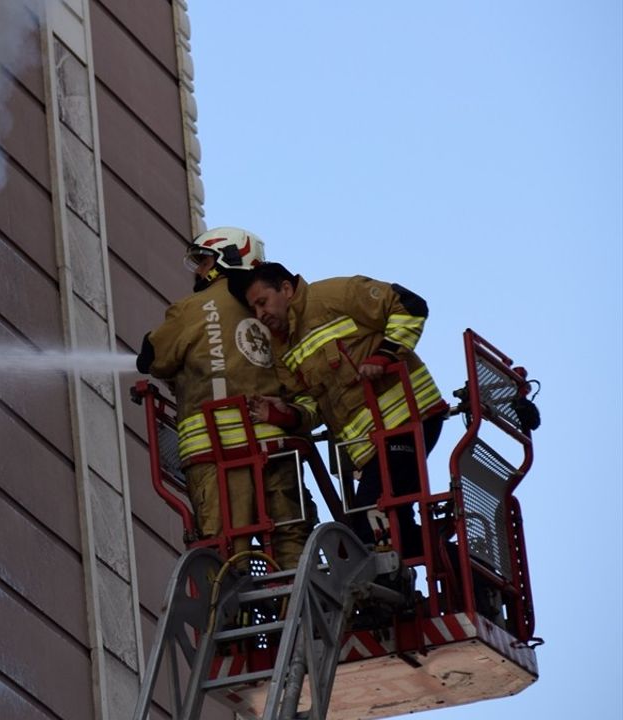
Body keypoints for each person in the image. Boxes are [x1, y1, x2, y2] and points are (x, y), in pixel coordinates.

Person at [235, 262, 448, 558]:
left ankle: (403, 574)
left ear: (286, 289)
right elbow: (312, 405)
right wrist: (285, 414)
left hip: (410, 421)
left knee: (368, 526)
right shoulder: (283, 348)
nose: (260, 314)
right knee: (394, 528)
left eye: (263, 302)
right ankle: (453, 559)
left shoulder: (333, 295)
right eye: (254, 309)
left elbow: (409, 305)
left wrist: (384, 355)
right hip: (371, 447)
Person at [136, 228, 317, 570]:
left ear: (229, 257)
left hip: (213, 454)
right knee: (290, 535)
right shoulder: (272, 307)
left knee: (224, 549)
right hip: (276, 447)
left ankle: (231, 598)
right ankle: (292, 594)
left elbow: (152, 358)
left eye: (204, 262)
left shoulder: (189, 310)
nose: (198, 271)